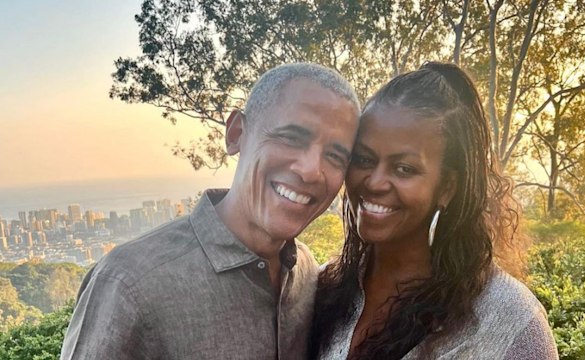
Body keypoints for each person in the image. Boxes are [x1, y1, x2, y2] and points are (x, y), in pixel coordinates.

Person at [60, 63, 361, 360]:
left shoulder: (306, 274)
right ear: (236, 134)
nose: (311, 171)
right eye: (291, 137)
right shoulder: (130, 284)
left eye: (335, 156)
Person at [311, 62, 558, 360]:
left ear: (447, 188)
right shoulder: (323, 289)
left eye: (404, 168)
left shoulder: (509, 322)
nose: (374, 182)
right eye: (363, 160)